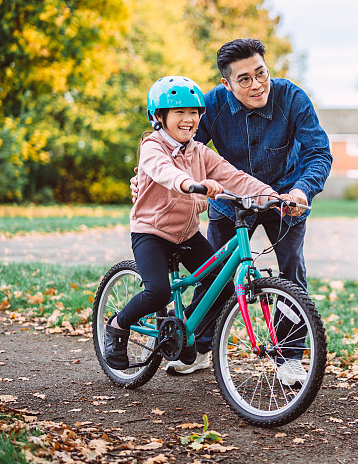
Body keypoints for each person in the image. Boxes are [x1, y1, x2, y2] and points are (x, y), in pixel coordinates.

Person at [132, 39, 332, 378]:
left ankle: (290, 357)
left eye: (261, 74)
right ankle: (198, 346)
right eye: (244, 79)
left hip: (282, 198)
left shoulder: (292, 99)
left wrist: (301, 190)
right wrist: (144, 177)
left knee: (291, 273)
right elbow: (176, 147)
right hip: (230, 201)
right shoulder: (209, 105)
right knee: (213, 275)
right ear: (226, 84)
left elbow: (318, 152)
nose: (256, 85)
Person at [105, 75, 294, 377]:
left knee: (221, 288)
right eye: (179, 112)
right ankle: (117, 324)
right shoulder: (152, 146)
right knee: (157, 293)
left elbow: (235, 177)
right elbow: (163, 171)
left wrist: (274, 197)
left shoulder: (199, 152)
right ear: (159, 117)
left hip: (187, 234)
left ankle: (182, 331)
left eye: (194, 112)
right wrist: (190, 183)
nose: (188, 119)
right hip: (151, 233)